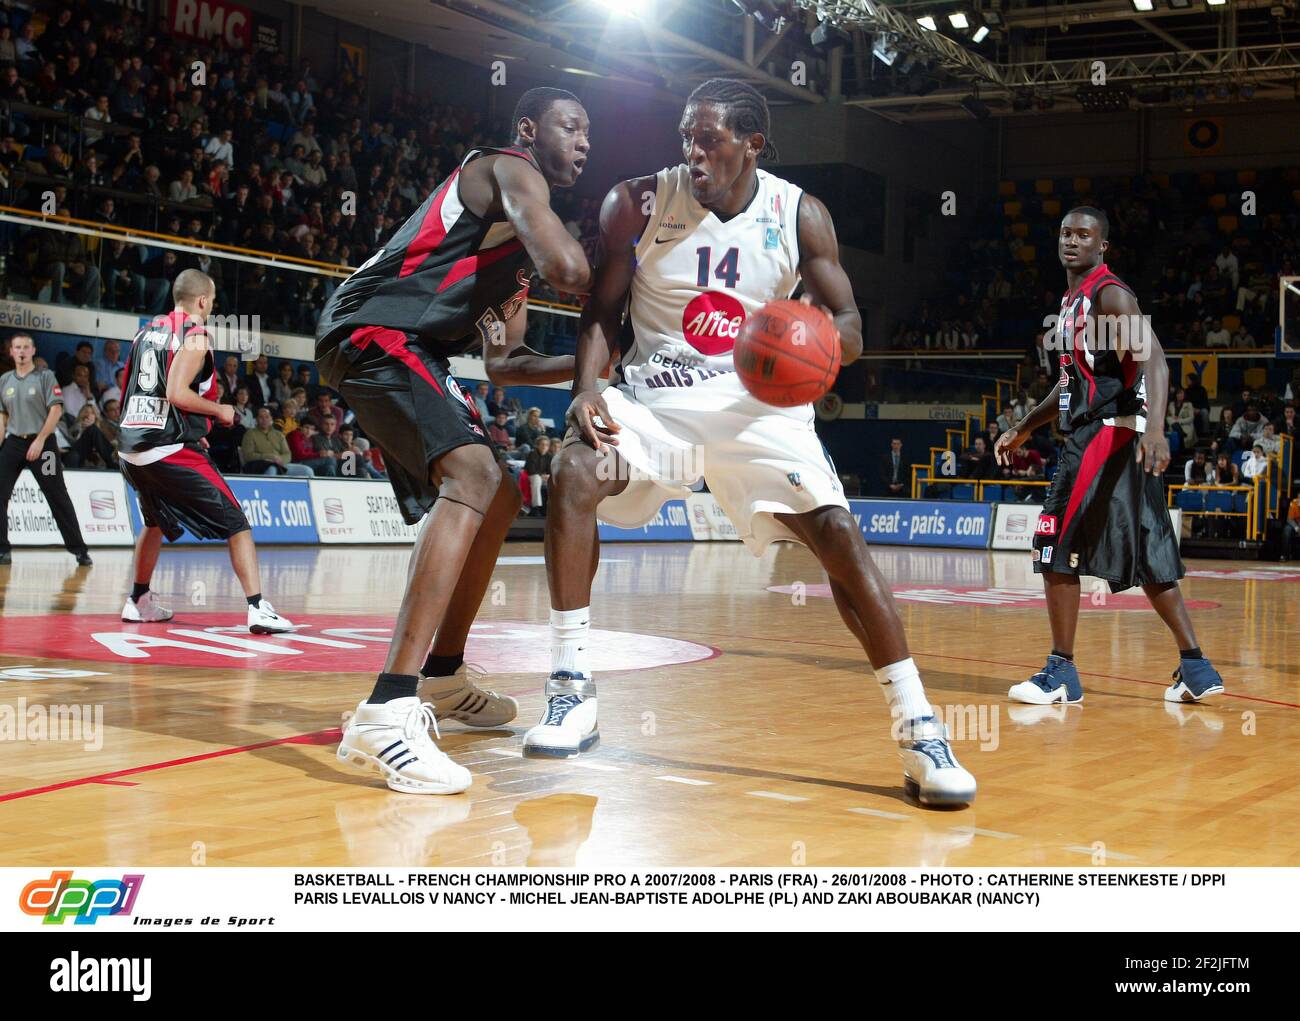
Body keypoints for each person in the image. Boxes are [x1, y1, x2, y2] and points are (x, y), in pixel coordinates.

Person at [531, 79, 974, 806]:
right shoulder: (638, 202)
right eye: (686, 139)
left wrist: (818, 339)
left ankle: (919, 726)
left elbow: (852, 322)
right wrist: (586, 388)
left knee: (838, 535)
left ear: (752, 145)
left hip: (758, 410)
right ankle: (570, 684)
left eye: (709, 141)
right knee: (575, 468)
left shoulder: (800, 214)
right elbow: (603, 309)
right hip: (658, 406)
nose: (693, 154)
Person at [316, 87, 589, 795]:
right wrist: (635, 299)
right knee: (471, 473)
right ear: (530, 128)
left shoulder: (517, 257)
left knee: (495, 489)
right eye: (571, 125)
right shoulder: (507, 170)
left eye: (590, 132)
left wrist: (598, 362)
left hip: (412, 347)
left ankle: (441, 676)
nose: (584, 141)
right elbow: (575, 272)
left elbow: (507, 362)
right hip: (372, 325)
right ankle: (386, 707)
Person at [995, 207, 1223, 706]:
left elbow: (1157, 358)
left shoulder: (1109, 292)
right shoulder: (1072, 299)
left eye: (1083, 235)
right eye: (1065, 233)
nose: (1071, 241)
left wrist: (1158, 428)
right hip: (1115, 437)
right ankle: (1196, 667)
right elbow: (1066, 387)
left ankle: (1061, 673)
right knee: (1147, 556)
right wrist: (1020, 428)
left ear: (1103, 246)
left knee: (1052, 546)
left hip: (1106, 436)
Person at [116, 270, 295, 632]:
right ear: (202, 301)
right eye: (211, 302)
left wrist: (195, 428)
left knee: (154, 522)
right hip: (166, 449)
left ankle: (138, 600)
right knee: (237, 522)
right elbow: (177, 394)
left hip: (130, 447)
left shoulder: (144, 333)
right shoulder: (195, 336)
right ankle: (258, 608)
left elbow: (130, 391)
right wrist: (220, 411)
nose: (212, 308)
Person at [0, 333, 93, 566]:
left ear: (33, 351)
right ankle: (2, 549)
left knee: (57, 494)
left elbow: (56, 411)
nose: (21, 351)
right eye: (17, 347)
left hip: (45, 444)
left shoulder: (46, 376)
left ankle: (79, 550)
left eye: (26, 347)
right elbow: (2, 416)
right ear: (11, 352)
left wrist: (40, 440)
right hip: (14, 442)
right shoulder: (4, 380)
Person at [242, 407, 311, 476]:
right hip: (259, 465)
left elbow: (287, 454)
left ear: (271, 418)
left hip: (280, 464)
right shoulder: (250, 434)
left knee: (307, 471)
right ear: (256, 419)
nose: (264, 420)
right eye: (261, 417)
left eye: (267, 417)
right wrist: (268, 457)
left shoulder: (279, 434)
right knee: (272, 469)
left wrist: (279, 460)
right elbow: (248, 455)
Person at [524, 433, 553, 514]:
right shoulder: (532, 454)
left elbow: (550, 470)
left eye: (546, 445)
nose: (544, 447)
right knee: (537, 479)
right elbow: (531, 470)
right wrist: (541, 475)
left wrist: (548, 476)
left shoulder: (549, 456)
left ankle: (551, 507)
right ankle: (536, 507)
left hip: (543, 477)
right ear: (537, 445)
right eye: (542, 444)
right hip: (530, 476)